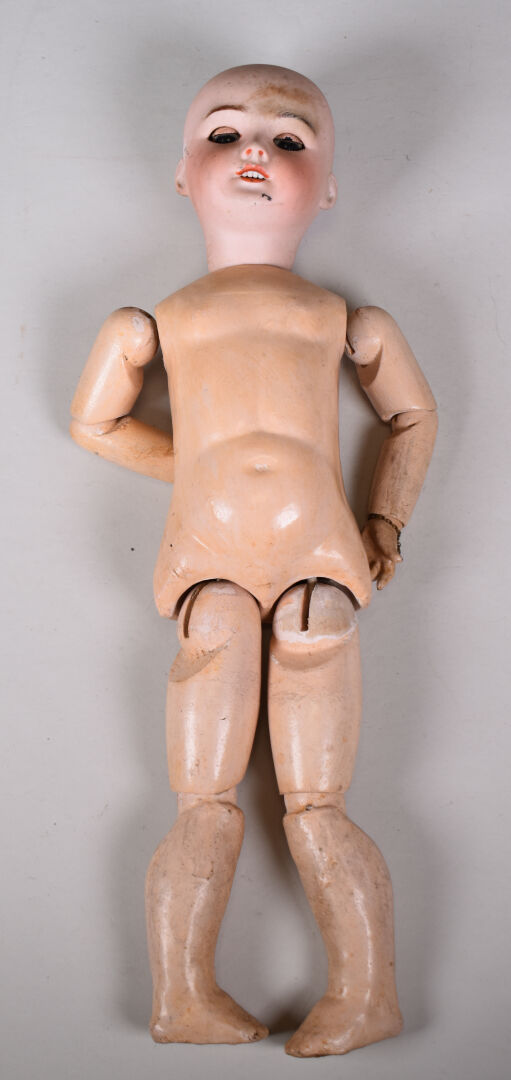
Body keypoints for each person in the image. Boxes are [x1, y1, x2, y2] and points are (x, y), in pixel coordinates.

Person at [70, 64, 437, 1057]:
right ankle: (182, 993)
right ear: (181, 172)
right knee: (204, 795)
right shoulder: (158, 320)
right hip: (211, 569)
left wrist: (383, 522)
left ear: (329, 186)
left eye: (289, 140)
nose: (255, 155)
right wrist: (193, 469)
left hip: (320, 564)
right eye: (225, 134)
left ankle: (365, 993)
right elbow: (94, 422)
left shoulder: (342, 319)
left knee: (316, 800)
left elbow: (412, 416)